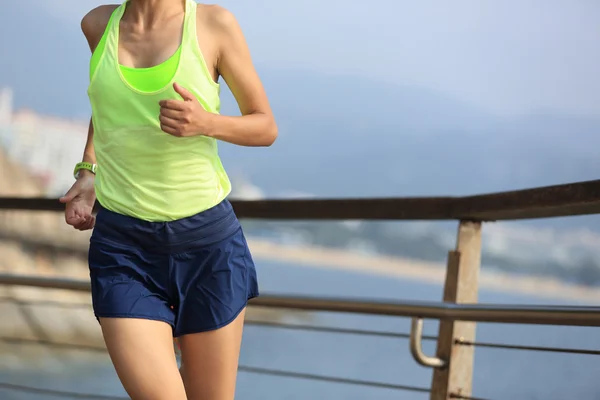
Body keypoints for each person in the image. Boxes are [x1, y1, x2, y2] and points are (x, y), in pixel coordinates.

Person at [59, 0, 277, 398]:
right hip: (123, 249)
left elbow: (265, 126)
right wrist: (89, 170)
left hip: (208, 247)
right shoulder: (97, 24)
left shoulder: (213, 24)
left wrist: (206, 123)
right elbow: (106, 104)